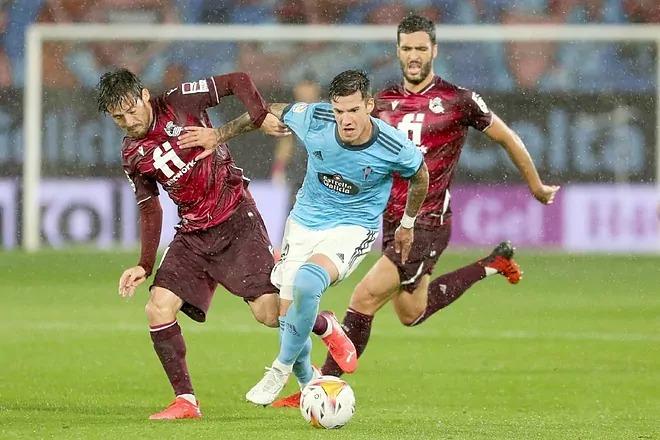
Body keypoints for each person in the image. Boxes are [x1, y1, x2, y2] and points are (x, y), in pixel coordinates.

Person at [273, 14, 560, 408]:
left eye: (421, 48)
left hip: (426, 222)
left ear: (434, 51)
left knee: (364, 297)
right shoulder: (380, 101)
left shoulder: (459, 100)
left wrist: (536, 185)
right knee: (411, 312)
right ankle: (493, 264)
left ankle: (319, 387)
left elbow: (506, 136)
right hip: (390, 222)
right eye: (406, 48)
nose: (413, 55)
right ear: (397, 50)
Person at [97, 68, 354, 420]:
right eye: (118, 118)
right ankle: (186, 400)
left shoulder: (180, 100)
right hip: (192, 234)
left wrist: (260, 117)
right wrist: (144, 263)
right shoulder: (132, 154)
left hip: (236, 220)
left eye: (131, 110)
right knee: (157, 307)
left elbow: (238, 80)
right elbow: (150, 207)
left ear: (144, 95)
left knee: (269, 313)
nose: (128, 121)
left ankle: (324, 325)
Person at [184, 69, 429, 406]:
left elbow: (420, 175)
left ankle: (279, 369)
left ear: (369, 106)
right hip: (304, 221)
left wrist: (408, 223)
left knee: (307, 283)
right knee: (282, 317)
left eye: (354, 110)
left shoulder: (392, 144)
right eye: (340, 111)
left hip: (353, 227)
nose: (346, 120)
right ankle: (312, 373)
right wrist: (219, 135)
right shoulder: (314, 117)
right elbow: (265, 109)